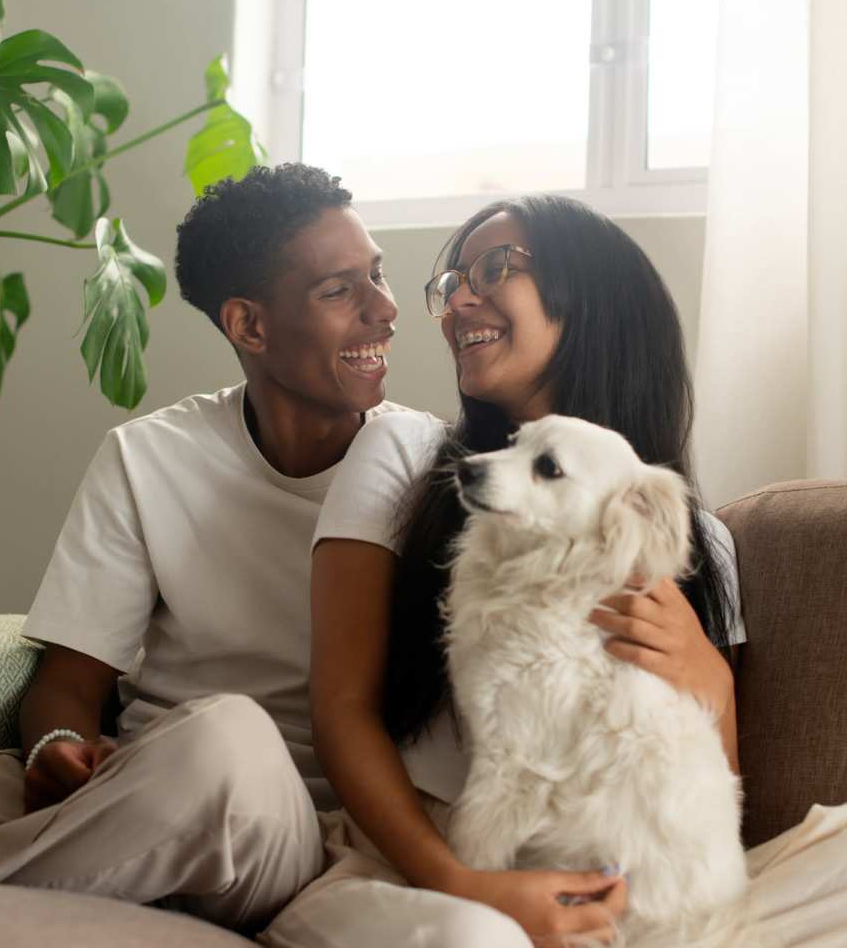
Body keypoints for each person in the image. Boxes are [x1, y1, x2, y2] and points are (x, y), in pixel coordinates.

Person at [260, 195, 847, 948]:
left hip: (627, 883)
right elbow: (342, 712)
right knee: (480, 941)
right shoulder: (402, 454)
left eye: (495, 269)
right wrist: (466, 883)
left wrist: (713, 681)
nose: (457, 302)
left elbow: (699, 791)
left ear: (594, 299)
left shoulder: (688, 538)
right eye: (454, 282)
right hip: (426, 864)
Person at [0, 163, 403, 935]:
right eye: (341, 290)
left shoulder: (420, 466)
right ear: (249, 326)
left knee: (226, 734)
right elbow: (68, 681)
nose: (385, 309)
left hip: (292, 826)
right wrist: (57, 745)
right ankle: (34, 873)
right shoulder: (148, 455)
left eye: (377, 275)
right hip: (132, 785)